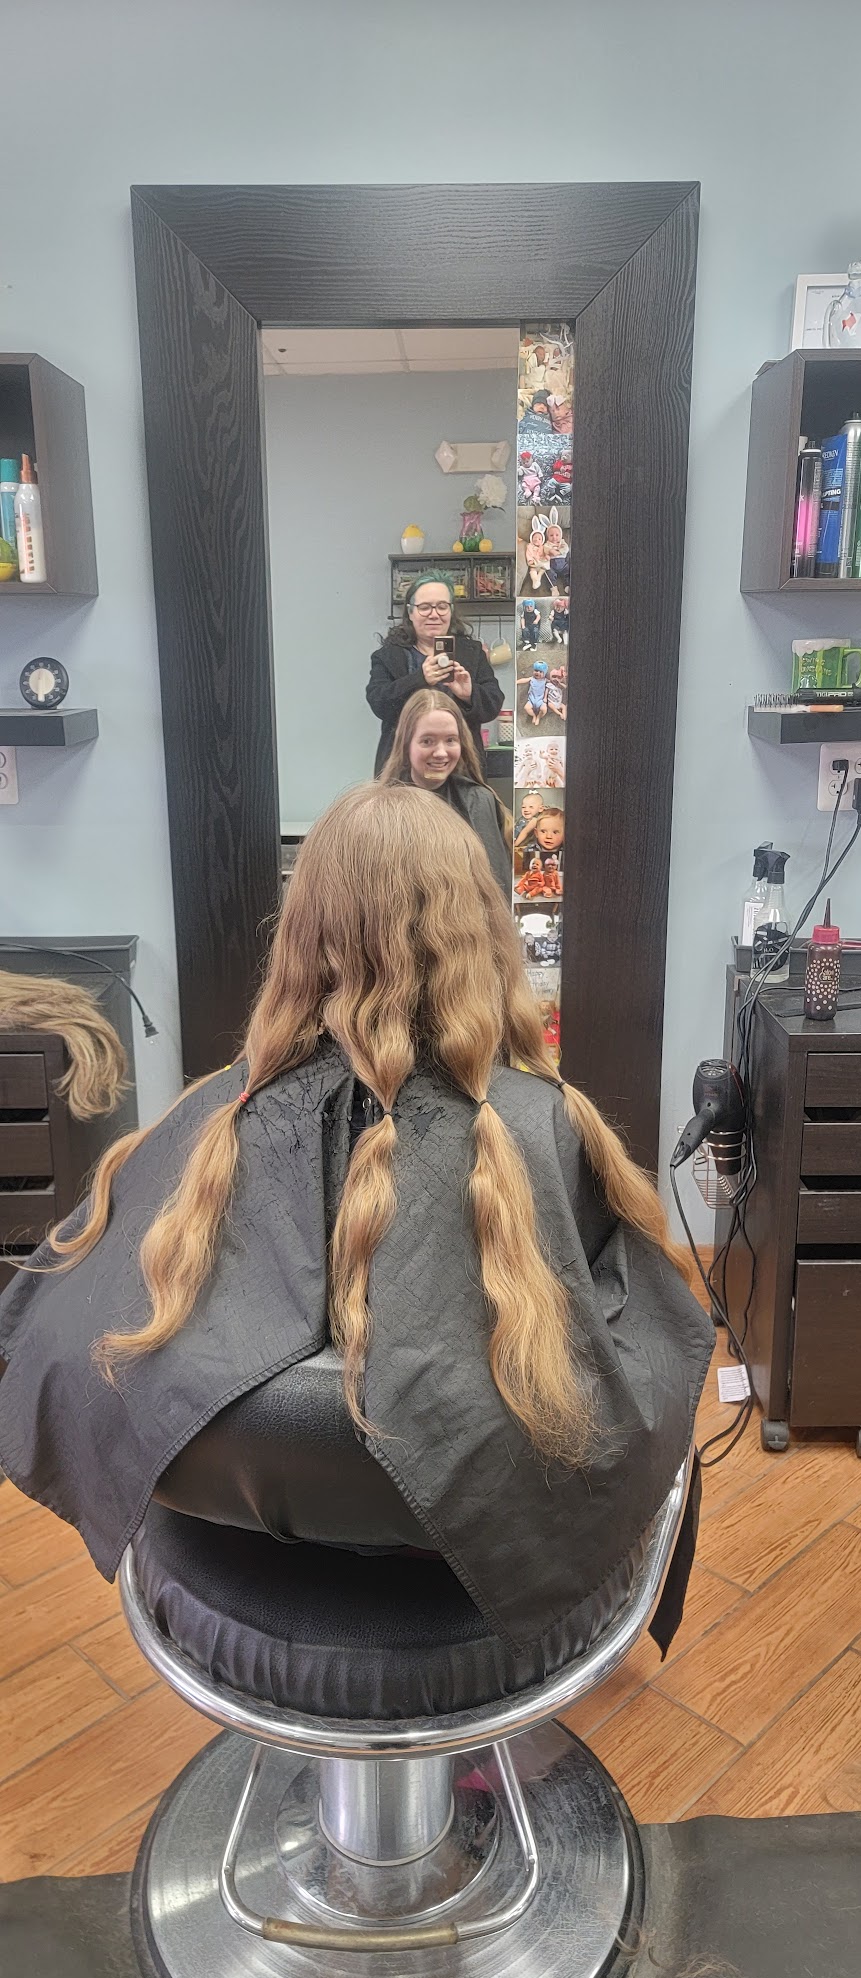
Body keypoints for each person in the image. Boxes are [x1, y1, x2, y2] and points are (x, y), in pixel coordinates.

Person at [0, 784, 712, 1664]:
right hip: (474, 1564)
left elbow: (57, 1330)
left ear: (302, 930)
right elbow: (649, 1366)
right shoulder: (544, 1124)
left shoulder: (210, 1120)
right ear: (478, 929)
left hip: (243, 1553)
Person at [367, 570, 503, 776]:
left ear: (451, 611)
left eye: (442, 606)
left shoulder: (472, 653)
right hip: (403, 773)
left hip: (462, 772)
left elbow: (493, 705)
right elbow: (379, 703)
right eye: (424, 607)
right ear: (410, 613)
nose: (434, 614)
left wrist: (469, 694)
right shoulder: (388, 656)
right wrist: (419, 679)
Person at [379, 686, 511, 898]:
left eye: (450, 740)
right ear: (406, 744)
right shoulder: (382, 812)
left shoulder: (478, 802)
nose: (441, 753)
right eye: (427, 741)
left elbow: (497, 891)